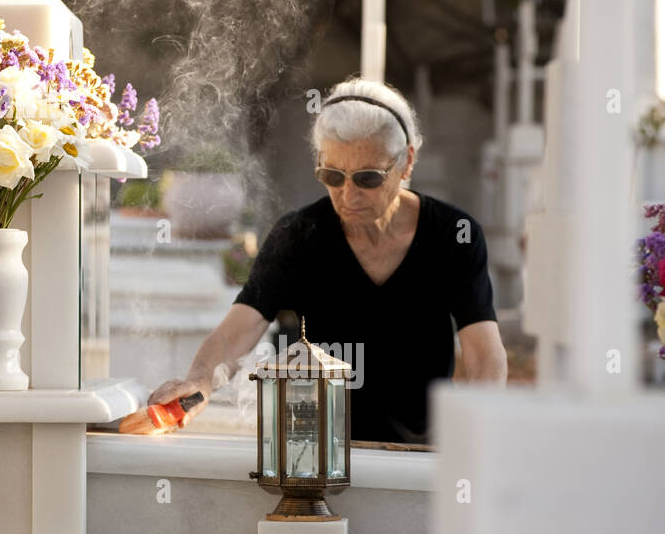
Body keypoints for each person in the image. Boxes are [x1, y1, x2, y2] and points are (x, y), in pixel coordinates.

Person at [149, 76, 508, 444]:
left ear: (407, 163)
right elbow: (236, 333)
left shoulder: (454, 236)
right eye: (332, 175)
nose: (347, 194)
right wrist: (199, 380)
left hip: (419, 456)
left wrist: (473, 444)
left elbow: (484, 359)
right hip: (319, 456)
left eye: (367, 178)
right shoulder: (298, 235)